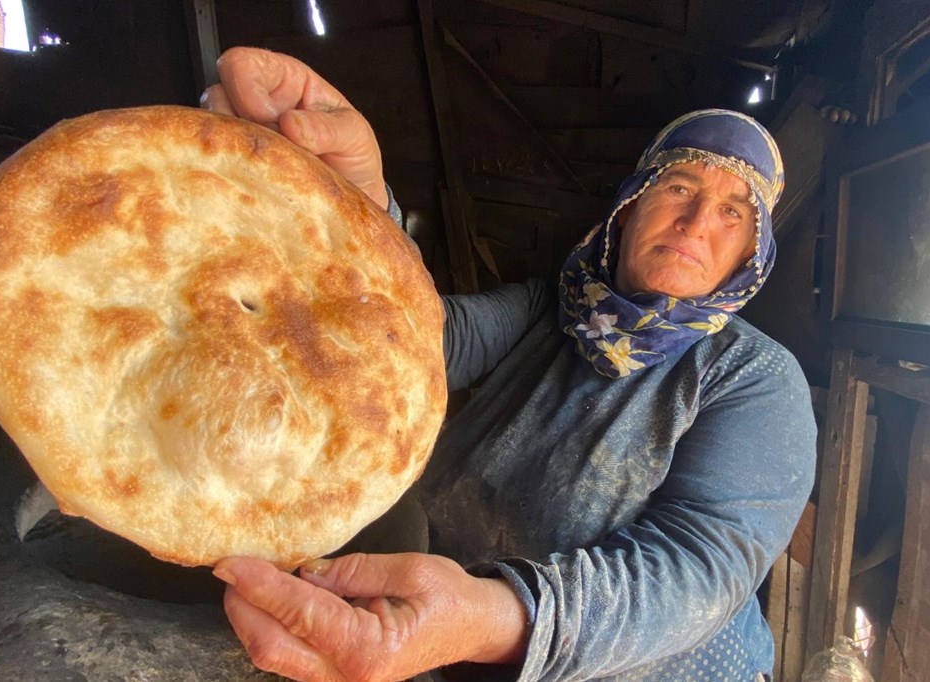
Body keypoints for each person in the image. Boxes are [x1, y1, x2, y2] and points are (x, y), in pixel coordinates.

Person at [201, 47, 816, 682]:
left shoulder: (752, 378)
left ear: (750, 253)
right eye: (679, 187)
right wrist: (362, 204)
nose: (694, 224)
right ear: (629, 205)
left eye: (731, 214)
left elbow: (693, 571)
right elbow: (410, 341)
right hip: (443, 644)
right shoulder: (545, 309)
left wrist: (495, 616)